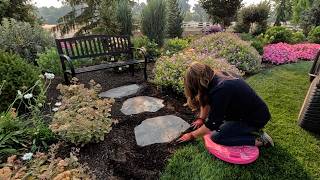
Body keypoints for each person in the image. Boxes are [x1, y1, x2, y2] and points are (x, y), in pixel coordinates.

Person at [177, 62, 274, 147]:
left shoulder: (221, 89)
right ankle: (245, 130)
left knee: (217, 137)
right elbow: (204, 98)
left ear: (198, 82)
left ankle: (260, 141)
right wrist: (201, 119)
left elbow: (211, 125)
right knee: (220, 125)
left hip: (255, 119)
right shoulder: (215, 77)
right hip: (244, 113)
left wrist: (191, 135)